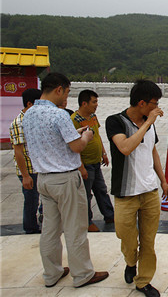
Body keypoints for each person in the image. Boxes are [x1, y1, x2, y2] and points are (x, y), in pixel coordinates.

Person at [22, 73, 109, 288]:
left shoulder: (29, 114)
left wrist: (75, 133)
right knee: (75, 228)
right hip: (65, 179)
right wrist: (86, 137)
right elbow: (76, 147)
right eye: (67, 92)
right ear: (59, 89)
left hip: (43, 179)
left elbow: (50, 141)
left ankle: (52, 273)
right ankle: (82, 274)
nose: (67, 98)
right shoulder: (59, 115)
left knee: (50, 229)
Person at [105, 79, 168, 297]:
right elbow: (125, 147)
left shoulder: (148, 123)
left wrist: (162, 179)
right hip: (126, 194)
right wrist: (146, 124)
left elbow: (151, 151)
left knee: (149, 241)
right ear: (141, 103)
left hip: (150, 192)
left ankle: (143, 282)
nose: (157, 107)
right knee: (126, 237)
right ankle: (130, 262)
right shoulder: (115, 121)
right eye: (154, 102)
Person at [71, 89, 115, 232]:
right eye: (94, 102)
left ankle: (109, 215)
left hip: (96, 162)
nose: (96, 105)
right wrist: (81, 166)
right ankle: (87, 221)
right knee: (85, 194)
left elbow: (97, 136)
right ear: (84, 103)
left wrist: (103, 153)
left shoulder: (93, 117)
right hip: (85, 163)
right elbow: (73, 146)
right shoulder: (74, 120)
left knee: (101, 189)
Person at [9, 88, 43, 234]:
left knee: (41, 199)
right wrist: (25, 176)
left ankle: (40, 223)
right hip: (29, 170)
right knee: (31, 201)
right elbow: (18, 151)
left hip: (39, 168)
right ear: (29, 104)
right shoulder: (19, 123)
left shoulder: (35, 120)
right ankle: (30, 229)